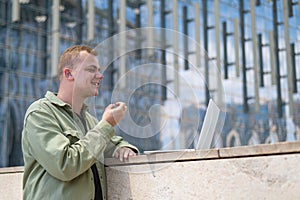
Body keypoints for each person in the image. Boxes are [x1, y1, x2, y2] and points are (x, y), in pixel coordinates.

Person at [22, 45, 139, 200]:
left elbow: (111, 143)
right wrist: (107, 125)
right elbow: (64, 165)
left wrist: (124, 147)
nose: (100, 75)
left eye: (99, 70)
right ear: (69, 73)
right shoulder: (40, 113)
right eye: (91, 70)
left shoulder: (89, 120)